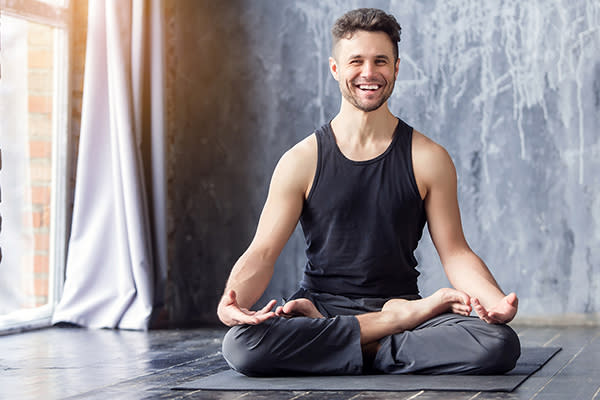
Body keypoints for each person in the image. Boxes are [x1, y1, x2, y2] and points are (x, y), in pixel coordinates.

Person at [217, 8, 520, 376]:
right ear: (335, 69)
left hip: (399, 304)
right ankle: (383, 334)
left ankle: (357, 342)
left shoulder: (429, 159)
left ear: (396, 68)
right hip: (322, 308)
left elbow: (455, 252)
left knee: (498, 344)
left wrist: (495, 301)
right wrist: (231, 302)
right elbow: (263, 251)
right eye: (355, 61)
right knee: (242, 345)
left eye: (380, 61)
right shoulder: (301, 160)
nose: (368, 73)